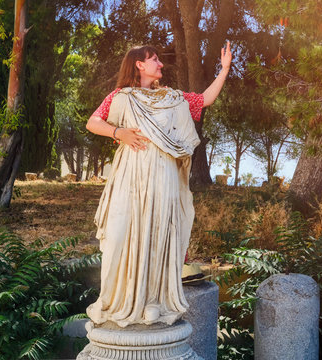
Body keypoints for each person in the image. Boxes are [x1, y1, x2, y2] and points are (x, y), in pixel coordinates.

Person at [85, 42, 231, 327]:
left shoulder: (172, 99)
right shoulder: (122, 96)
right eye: (154, 60)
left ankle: (152, 301)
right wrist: (119, 132)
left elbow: (205, 100)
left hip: (163, 175)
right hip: (130, 174)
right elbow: (93, 122)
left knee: (156, 232)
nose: (160, 64)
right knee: (120, 233)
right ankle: (114, 299)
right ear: (139, 64)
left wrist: (224, 69)